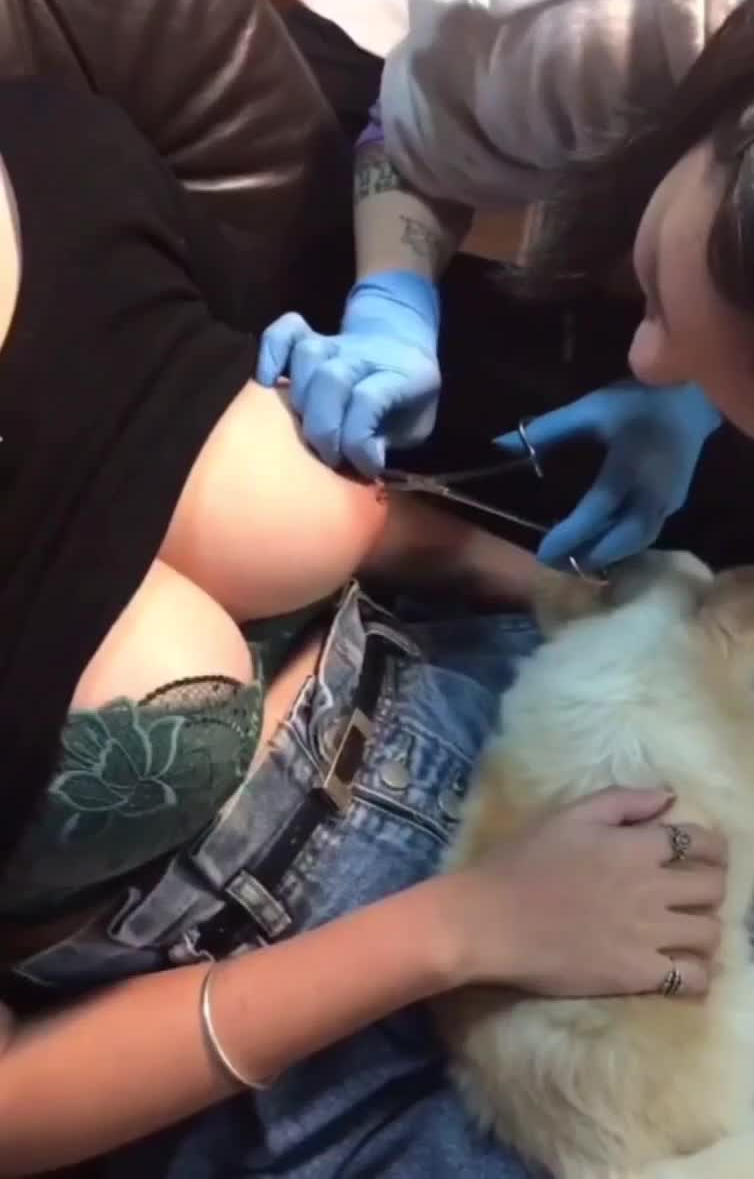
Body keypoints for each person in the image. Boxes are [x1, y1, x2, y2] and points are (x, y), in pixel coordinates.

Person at [0, 76, 726, 1179]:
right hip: (296, 1042)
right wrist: (466, 926)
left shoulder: (61, 146)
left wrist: (580, 601)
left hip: (502, 702)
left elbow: (287, 478)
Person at [266, 0, 754, 571]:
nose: (647, 366)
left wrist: (696, 399)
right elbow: (408, 152)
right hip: (453, 10)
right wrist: (392, 301)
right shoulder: (588, 16)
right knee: (269, 275)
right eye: (664, 309)